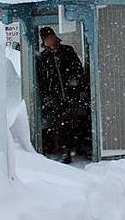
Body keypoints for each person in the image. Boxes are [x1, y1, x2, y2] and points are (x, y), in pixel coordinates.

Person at [36, 26, 90, 164]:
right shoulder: (43, 58)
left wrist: (77, 84)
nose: (50, 40)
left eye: (51, 37)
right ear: (44, 41)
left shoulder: (67, 51)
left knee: (75, 122)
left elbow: (78, 70)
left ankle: (78, 148)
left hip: (72, 95)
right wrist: (47, 96)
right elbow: (41, 80)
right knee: (60, 126)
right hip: (56, 98)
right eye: (47, 39)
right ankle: (65, 150)